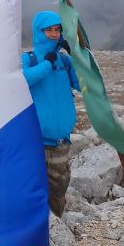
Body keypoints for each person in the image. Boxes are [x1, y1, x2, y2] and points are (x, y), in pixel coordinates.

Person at [21, 11, 81, 216]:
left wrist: (77, 55)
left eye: (57, 30)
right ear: (39, 31)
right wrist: (46, 63)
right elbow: (23, 80)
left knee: (58, 189)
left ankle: (56, 230)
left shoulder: (65, 62)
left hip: (60, 141)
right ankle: (34, 237)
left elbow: (84, 86)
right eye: (49, 30)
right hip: (33, 140)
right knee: (31, 190)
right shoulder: (28, 59)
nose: (54, 34)